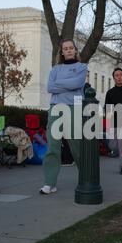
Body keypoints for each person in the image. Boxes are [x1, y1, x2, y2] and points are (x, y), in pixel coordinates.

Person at [40, 38, 87, 194]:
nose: (68, 50)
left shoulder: (82, 67)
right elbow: (49, 87)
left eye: (71, 48)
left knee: (76, 145)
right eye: (65, 48)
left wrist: (60, 84)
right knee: (53, 145)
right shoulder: (55, 69)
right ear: (62, 51)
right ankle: (49, 182)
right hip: (56, 108)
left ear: (75, 50)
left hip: (74, 107)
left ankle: (86, 178)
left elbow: (77, 84)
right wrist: (69, 84)